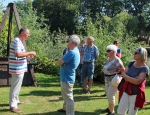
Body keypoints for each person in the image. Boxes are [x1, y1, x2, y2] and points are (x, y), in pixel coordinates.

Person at [9, 28, 36, 113]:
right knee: (15, 87)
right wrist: (30, 52)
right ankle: (13, 106)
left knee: (18, 86)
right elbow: (18, 54)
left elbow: (21, 54)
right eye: (28, 33)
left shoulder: (19, 41)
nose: (29, 35)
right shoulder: (17, 41)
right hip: (17, 68)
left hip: (19, 68)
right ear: (22, 33)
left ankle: (16, 100)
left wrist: (28, 55)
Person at [117, 47, 149, 115]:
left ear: (141, 54)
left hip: (136, 94)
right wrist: (133, 79)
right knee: (120, 111)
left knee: (132, 113)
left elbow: (137, 82)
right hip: (126, 91)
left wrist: (127, 77)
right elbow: (123, 74)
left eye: (136, 53)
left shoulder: (144, 68)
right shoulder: (131, 63)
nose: (133, 54)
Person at [57, 35, 80, 115]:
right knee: (66, 96)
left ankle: (70, 113)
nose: (68, 42)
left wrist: (63, 62)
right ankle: (65, 109)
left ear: (72, 42)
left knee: (69, 98)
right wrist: (63, 62)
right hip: (68, 77)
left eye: (69, 41)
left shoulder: (72, 52)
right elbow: (62, 63)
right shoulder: (75, 51)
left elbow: (59, 62)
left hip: (67, 78)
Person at [102, 45, 124, 115]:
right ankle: (109, 108)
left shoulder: (117, 60)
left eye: (108, 50)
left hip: (113, 80)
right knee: (108, 95)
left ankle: (112, 112)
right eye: (107, 50)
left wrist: (119, 78)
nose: (107, 52)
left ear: (113, 52)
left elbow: (123, 71)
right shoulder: (108, 59)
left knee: (111, 95)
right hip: (107, 79)